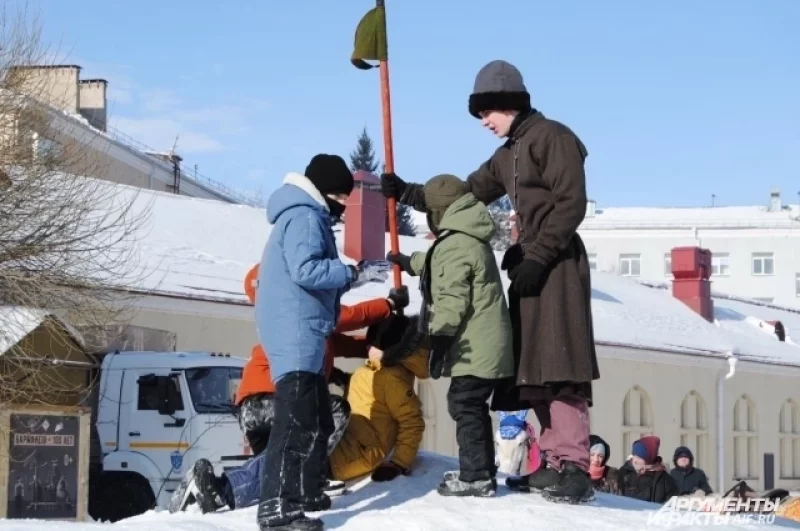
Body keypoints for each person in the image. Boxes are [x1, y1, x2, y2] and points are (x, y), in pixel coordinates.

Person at [381, 59, 599, 503]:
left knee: (561, 366)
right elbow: (465, 193)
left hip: (556, 264)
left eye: (486, 113)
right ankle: (552, 462)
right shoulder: (508, 154)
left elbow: (571, 203)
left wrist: (537, 255)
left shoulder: (553, 138)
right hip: (528, 265)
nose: (484, 122)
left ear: (507, 103)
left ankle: (573, 467)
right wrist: (409, 193)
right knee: (534, 368)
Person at [168, 293, 409, 516]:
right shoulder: (307, 314)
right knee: (332, 411)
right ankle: (308, 477)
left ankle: (209, 491)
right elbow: (348, 316)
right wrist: (387, 304)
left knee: (280, 468)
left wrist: (378, 347)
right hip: (266, 400)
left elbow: (353, 346)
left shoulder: (319, 336)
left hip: (253, 409)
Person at [254, 153, 385, 531]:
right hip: (296, 331)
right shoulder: (305, 216)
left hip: (301, 328)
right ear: (327, 192)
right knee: (295, 424)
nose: (344, 207)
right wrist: (353, 273)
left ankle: (308, 490)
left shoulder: (302, 214)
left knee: (317, 419)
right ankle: (277, 509)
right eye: (342, 198)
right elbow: (306, 269)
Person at [386, 174, 514, 497]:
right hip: (487, 344)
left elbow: (451, 301)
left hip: (475, 347)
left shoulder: (455, 245)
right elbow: (438, 262)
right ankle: (481, 470)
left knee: (464, 403)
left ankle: (476, 476)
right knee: (470, 404)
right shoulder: (466, 237)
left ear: (438, 213)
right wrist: (409, 262)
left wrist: (438, 341)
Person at [328, 313, 429, 483]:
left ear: (389, 349)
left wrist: (399, 464)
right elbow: (366, 397)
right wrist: (345, 380)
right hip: (347, 442)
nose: (366, 348)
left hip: (357, 454)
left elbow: (412, 422)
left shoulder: (390, 380)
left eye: (372, 345)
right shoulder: (374, 371)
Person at [616, 435, 678, 504]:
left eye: (639, 457)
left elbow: (671, 508)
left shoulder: (665, 481)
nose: (635, 460)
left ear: (649, 459)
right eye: (634, 455)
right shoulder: (624, 473)